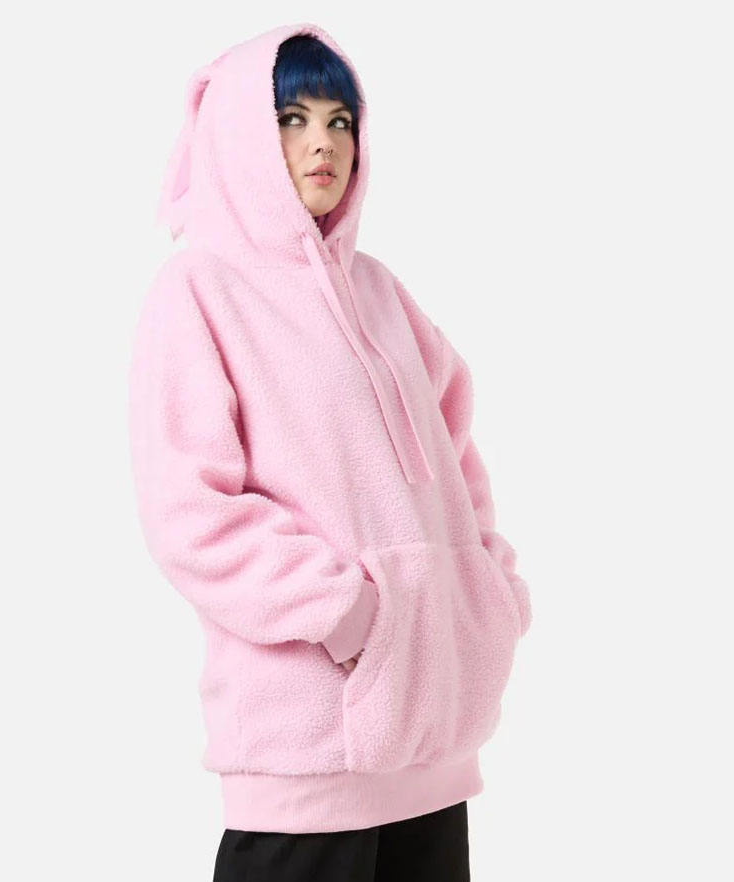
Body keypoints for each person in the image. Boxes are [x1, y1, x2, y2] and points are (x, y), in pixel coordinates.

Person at [128, 21, 533, 881]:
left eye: (340, 120)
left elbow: (457, 452)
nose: (324, 143)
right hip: (305, 747)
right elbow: (190, 513)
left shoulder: (380, 290)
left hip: (430, 749)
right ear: (240, 134)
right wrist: (348, 614)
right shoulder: (199, 290)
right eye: (292, 118)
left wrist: (482, 590)